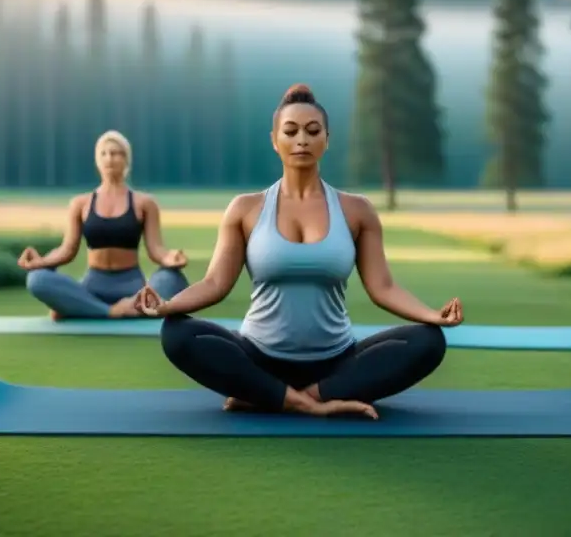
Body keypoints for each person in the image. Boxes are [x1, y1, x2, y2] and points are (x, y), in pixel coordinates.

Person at [132, 84, 464, 420]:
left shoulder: (357, 210)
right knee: (177, 334)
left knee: (428, 342)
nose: (301, 139)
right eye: (290, 131)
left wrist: (431, 315)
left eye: (312, 131)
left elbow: (383, 288)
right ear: (275, 141)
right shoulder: (246, 209)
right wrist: (167, 306)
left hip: (334, 363)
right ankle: (306, 401)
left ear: (327, 139)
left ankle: (282, 397)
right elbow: (216, 282)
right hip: (258, 357)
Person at [18, 130, 190, 320]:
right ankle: (112, 311)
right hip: (93, 285)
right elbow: (67, 250)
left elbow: (156, 250)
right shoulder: (80, 203)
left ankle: (87, 307)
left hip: (132, 285)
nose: (109, 158)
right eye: (104, 153)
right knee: (37, 279)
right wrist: (39, 263)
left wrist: (171, 258)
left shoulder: (145, 203)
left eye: (115, 153)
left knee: (172, 278)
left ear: (126, 159)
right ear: (97, 160)